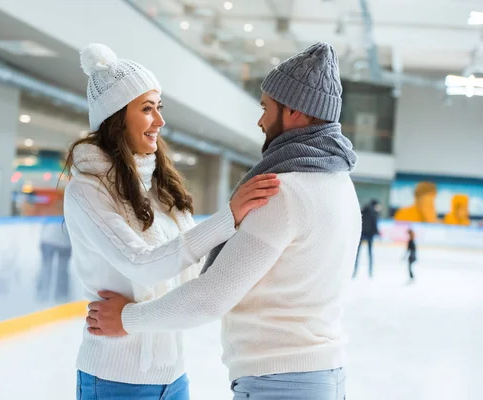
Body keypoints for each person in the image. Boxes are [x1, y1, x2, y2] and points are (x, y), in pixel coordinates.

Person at [87, 42, 361, 399]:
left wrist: (126, 319)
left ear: (295, 111)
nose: (261, 120)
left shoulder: (283, 191)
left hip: (281, 382)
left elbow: (212, 296)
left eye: (266, 108)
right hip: (322, 377)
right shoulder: (340, 184)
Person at [63, 43, 280, 400]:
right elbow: (143, 264)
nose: (160, 121)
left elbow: (193, 269)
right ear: (116, 117)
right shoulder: (87, 191)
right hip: (115, 380)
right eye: (147, 109)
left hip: (174, 378)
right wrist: (228, 217)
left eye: (159, 108)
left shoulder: (161, 188)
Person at [352, 199, 381, 279]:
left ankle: (354, 270)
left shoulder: (363, 210)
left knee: (357, 254)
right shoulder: (374, 213)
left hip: (362, 234)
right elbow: (374, 224)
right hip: (369, 235)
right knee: (370, 254)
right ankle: (370, 272)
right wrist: (377, 233)